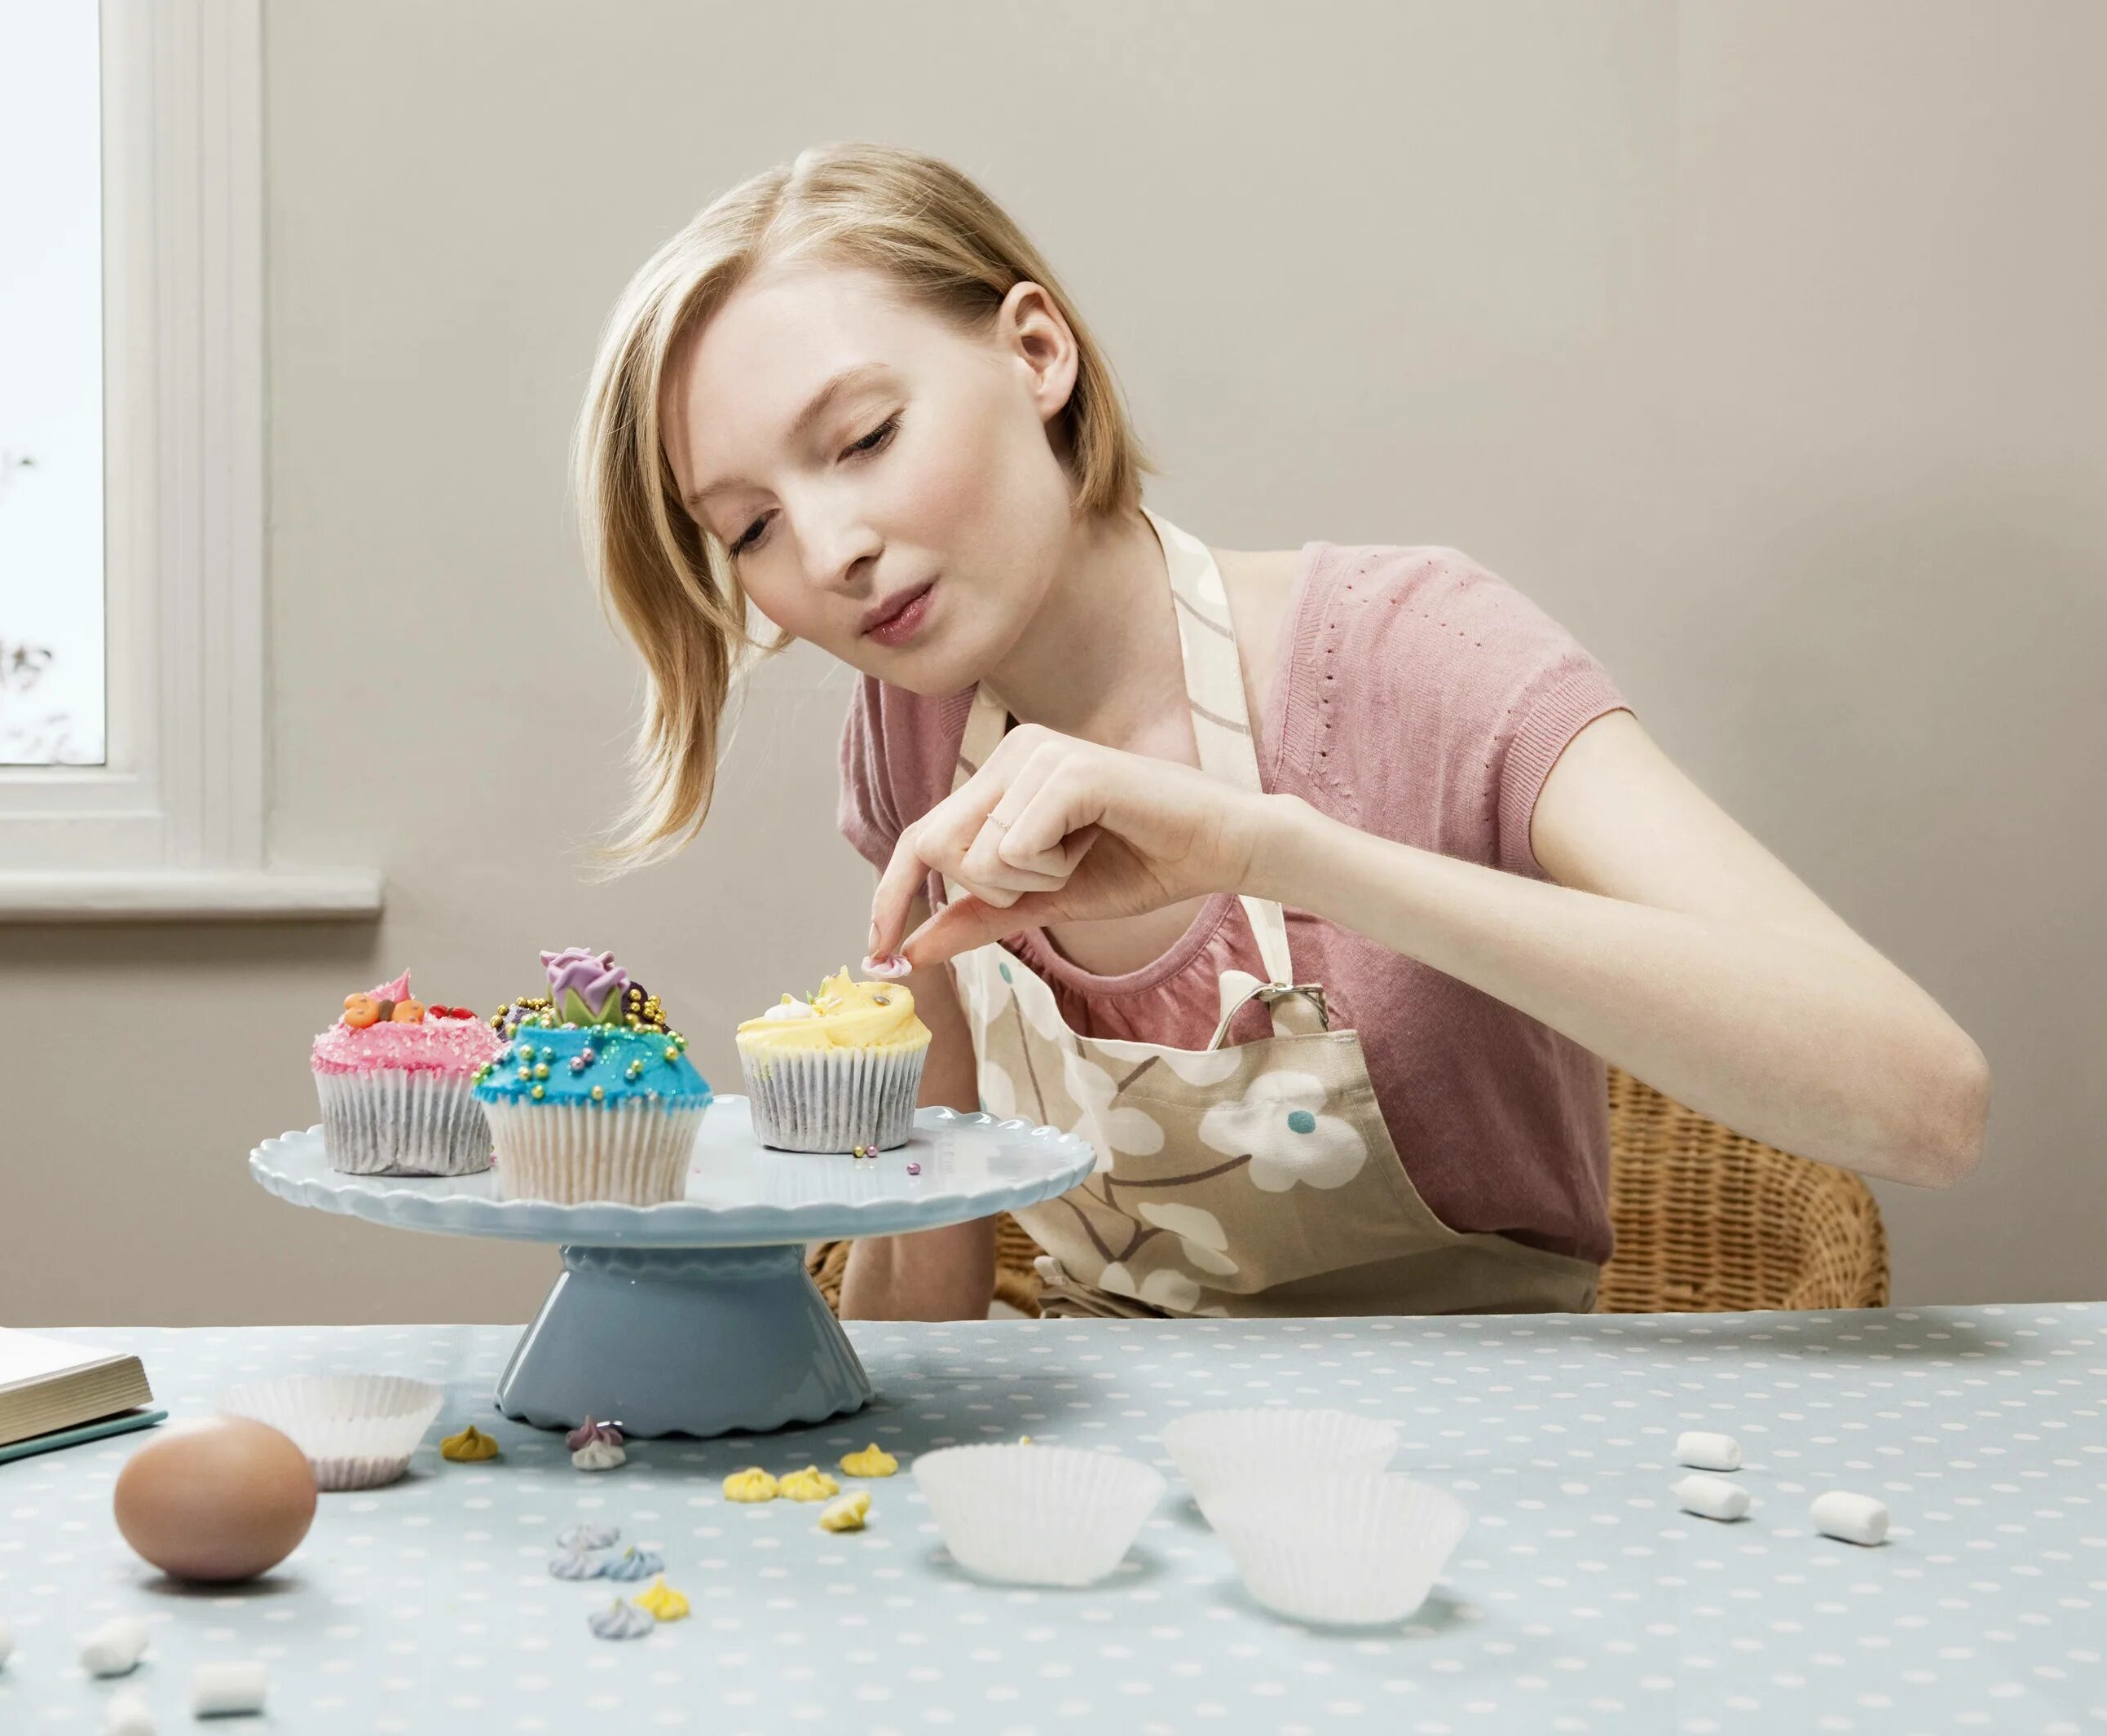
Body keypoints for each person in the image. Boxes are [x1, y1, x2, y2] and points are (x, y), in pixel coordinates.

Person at [571, 142, 1988, 1322]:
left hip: (1488, 1493)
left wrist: (1279, 850)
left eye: (866, 437)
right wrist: (900, 1088)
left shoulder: (1415, 650)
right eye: (747, 527)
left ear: (1037, 351)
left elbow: (1924, 1102)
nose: (828, 550)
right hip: (1113, 1497)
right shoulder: (913, 734)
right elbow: (928, 1327)